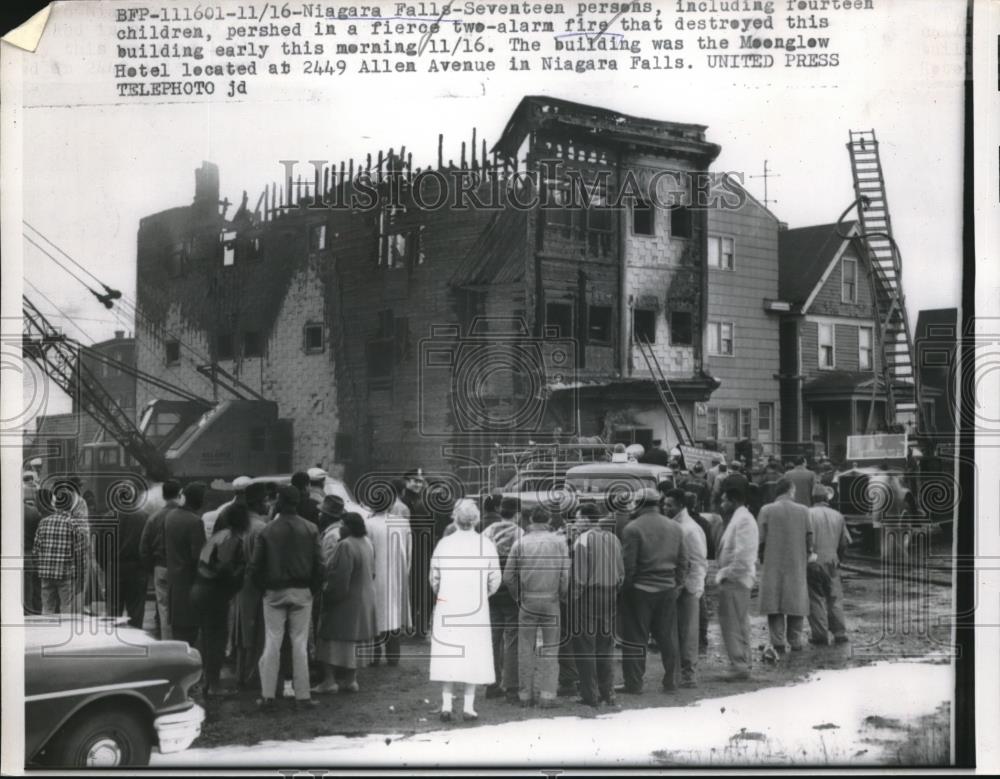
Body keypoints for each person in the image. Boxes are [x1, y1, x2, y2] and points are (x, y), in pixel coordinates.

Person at [250, 485, 323, 709]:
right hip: (302, 591)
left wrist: (263, 588)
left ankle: (268, 695)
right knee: (299, 644)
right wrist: (312, 588)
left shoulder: (267, 530)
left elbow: (255, 567)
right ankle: (303, 696)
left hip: (273, 591)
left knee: (272, 642)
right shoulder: (310, 528)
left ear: (280, 502)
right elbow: (319, 565)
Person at [429, 499, 501, 722]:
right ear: (477, 519)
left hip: (448, 603)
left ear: (455, 518)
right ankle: (469, 707)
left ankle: (446, 705)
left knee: (449, 652)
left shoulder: (444, 544)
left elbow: (434, 576)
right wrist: (483, 594)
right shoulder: (486, 544)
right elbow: (495, 578)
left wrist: (442, 593)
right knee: (473, 653)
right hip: (475, 606)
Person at [620, 487, 687, 695]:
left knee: (635, 639)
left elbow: (628, 566)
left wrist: (626, 590)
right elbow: (683, 561)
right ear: (658, 503)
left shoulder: (632, 528)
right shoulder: (675, 527)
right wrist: (677, 585)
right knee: (668, 638)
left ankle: (634, 684)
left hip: (640, 589)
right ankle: (671, 681)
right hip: (667, 588)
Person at [503, 505, 569, 709]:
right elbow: (565, 575)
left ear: (530, 520)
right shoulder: (559, 543)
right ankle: (548, 695)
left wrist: (518, 596)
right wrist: (561, 594)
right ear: (548, 521)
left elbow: (508, 576)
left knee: (525, 648)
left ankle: (525, 695)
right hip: (551, 599)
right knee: (550, 649)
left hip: (528, 600)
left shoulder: (520, 543)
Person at [314, 512, 377, 694]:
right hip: (365, 598)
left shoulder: (345, 545)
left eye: (342, 524)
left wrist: (327, 594)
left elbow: (340, 577)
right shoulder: (367, 542)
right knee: (354, 642)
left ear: (348, 527)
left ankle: (329, 681)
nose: (340, 528)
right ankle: (351, 679)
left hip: (347, 599)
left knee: (331, 639)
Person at [191, 503, 249, 697]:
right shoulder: (231, 538)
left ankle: (208, 681)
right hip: (213, 592)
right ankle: (214, 685)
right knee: (217, 638)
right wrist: (239, 573)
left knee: (207, 638)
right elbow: (224, 567)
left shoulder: (217, 536)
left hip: (200, 588)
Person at [570, 502, 623, 707]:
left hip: (589, 596)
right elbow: (621, 573)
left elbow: (579, 578)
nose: (575, 522)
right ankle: (608, 692)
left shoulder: (582, 541)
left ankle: (589, 695)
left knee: (585, 647)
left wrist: (574, 598)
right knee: (605, 646)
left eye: (577, 518)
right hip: (610, 594)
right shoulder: (613, 538)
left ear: (585, 519)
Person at [758, 477, 814, 659]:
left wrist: (762, 557)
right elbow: (809, 538)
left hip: (772, 561)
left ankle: (778, 642)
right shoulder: (804, 511)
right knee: (796, 600)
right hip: (797, 561)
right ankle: (795, 641)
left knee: (774, 602)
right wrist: (807, 554)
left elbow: (761, 539)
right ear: (790, 490)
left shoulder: (766, 510)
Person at [662, 488, 706, 688]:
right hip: (678, 587)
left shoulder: (689, 529)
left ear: (680, 505)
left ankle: (689, 675)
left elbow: (697, 562)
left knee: (688, 633)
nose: (665, 508)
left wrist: (690, 588)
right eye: (664, 504)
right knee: (678, 632)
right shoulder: (677, 525)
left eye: (669, 505)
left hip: (687, 589)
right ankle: (681, 673)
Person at [481, 496, 523, 702]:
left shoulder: (487, 532)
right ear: (517, 514)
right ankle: (512, 686)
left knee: (493, 637)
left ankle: (492, 683)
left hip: (491, 589)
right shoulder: (519, 533)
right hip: (511, 590)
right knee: (512, 638)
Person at [715, 487, 759, 681]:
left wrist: (726, 574)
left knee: (733, 625)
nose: (721, 504)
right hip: (735, 580)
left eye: (724, 500)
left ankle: (739, 665)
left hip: (735, 581)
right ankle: (742, 663)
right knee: (736, 624)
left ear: (733, 500)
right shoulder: (740, 518)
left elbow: (743, 557)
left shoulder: (744, 520)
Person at [365, 493, 412, 667]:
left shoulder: (368, 524)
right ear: (390, 503)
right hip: (397, 575)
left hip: (376, 574)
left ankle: (374, 656)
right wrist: (405, 571)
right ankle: (393, 655)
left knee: (376, 613)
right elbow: (408, 550)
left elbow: (368, 550)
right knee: (394, 613)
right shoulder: (402, 523)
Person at [234, 483, 270, 690]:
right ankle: (252, 676)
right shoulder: (261, 528)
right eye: (265, 500)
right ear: (257, 503)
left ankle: (241, 674)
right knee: (257, 632)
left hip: (240, 582)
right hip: (255, 584)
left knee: (242, 631)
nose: (267, 504)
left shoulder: (239, 524)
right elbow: (262, 562)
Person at [33, 485, 89, 615]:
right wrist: (80, 576)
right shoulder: (73, 524)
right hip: (66, 574)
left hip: (46, 574)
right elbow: (79, 554)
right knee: (66, 609)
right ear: (70, 505)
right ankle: (63, 634)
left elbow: (36, 551)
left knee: (47, 608)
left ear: (55, 505)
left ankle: (46, 634)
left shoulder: (43, 522)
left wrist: (41, 568)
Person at [164, 482, 208, 645]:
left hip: (174, 585)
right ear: (197, 500)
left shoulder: (170, 517)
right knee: (191, 637)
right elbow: (199, 557)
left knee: (178, 636)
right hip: (191, 587)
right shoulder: (195, 522)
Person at [807, 485, 852, 646]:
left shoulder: (808, 514)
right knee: (834, 598)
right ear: (827, 499)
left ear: (813, 499)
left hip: (813, 562)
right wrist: (838, 557)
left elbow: (805, 539)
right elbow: (844, 542)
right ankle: (840, 633)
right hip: (832, 562)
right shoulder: (838, 515)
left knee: (815, 598)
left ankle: (820, 635)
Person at [140, 479, 181, 639]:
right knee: (180, 606)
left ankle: (167, 641)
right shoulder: (187, 516)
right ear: (179, 495)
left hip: (161, 567)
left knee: (163, 608)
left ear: (163, 496)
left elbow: (144, 547)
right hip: (181, 567)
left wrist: (151, 568)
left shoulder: (154, 518)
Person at [686, 492, 722, 656]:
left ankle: (694, 638)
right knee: (701, 599)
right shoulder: (703, 522)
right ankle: (701, 636)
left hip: (689, 566)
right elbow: (710, 546)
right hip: (702, 564)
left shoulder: (685, 523)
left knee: (692, 602)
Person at [112, 486, 150, 629]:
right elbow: (148, 544)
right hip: (137, 569)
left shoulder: (109, 516)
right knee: (136, 611)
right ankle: (136, 641)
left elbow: (100, 548)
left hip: (115, 568)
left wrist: (106, 566)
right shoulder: (144, 517)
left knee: (113, 614)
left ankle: (112, 645)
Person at [403, 469, 433, 638]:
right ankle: (412, 624)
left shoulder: (421, 500)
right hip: (412, 546)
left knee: (421, 586)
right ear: (406, 481)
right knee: (413, 586)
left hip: (422, 547)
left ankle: (418, 625)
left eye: (420, 481)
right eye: (414, 480)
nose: (418, 484)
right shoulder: (405, 502)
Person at [23, 491, 43, 615]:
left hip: (19, 553)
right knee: (34, 588)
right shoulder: (34, 513)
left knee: (25, 590)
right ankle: (35, 612)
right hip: (32, 553)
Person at [318, 494, 346, 563]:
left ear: (328, 516)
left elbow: (325, 562)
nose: (319, 514)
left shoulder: (332, 535)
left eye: (322, 512)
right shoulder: (337, 530)